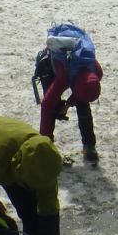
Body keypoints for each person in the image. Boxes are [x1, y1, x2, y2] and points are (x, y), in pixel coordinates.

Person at [36, 23, 103, 164]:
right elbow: (46, 106)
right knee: (52, 106)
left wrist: (68, 104)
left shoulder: (95, 71)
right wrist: (44, 141)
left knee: (83, 104)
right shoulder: (64, 77)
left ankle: (89, 146)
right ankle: (46, 147)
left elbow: (81, 94)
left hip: (73, 72)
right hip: (51, 66)